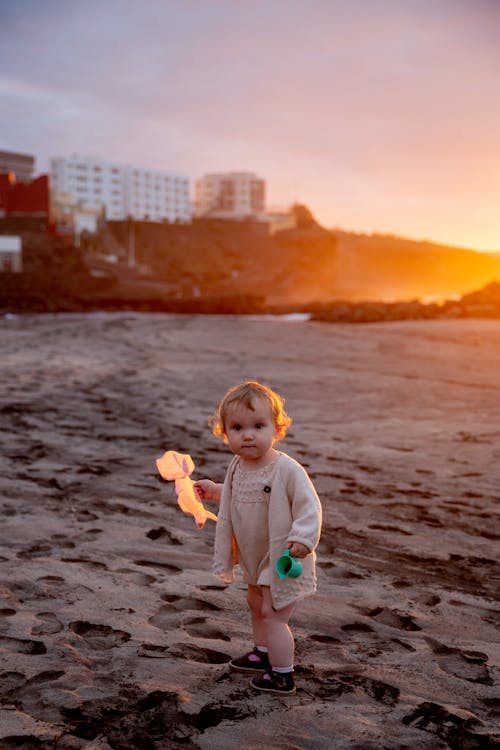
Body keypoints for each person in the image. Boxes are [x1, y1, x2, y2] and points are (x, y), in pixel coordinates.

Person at [194, 380, 322, 696]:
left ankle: (282, 674)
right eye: (237, 428)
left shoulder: (287, 469)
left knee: (274, 614)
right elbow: (239, 496)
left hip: (284, 556)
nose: (247, 435)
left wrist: (303, 540)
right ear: (224, 433)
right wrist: (214, 492)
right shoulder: (238, 466)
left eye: (258, 426)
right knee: (255, 603)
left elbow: (309, 506)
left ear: (277, 430)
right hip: (254, 556)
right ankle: (262, 652)